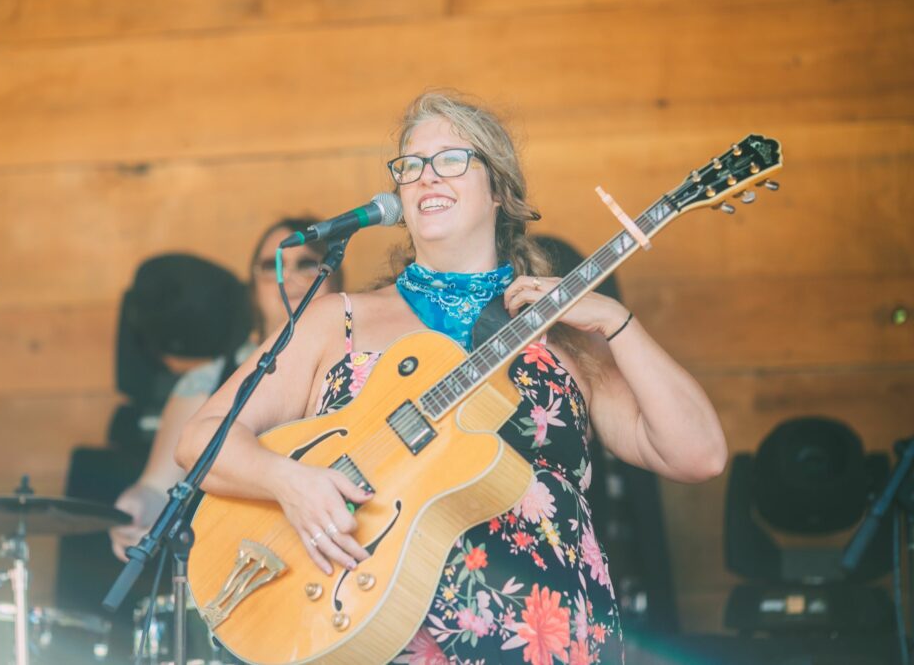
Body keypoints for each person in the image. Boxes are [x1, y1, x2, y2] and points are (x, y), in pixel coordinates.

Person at [176, 91, 727, 664]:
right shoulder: (334, 320)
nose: (425, 178)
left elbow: (698, 455)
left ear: (499, 191)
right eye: (410, 166)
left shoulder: (565, 333)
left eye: (452, 159)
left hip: (547, 633)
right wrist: (288, 481)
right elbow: (202, 440)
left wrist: (617, 323)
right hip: (372, 624)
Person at [109, 218, 344, 561]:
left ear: (335, 275)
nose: (290, 275)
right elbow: (157, 487)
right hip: (232, 566)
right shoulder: (208, 379)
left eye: (307, 262)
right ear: (252, 286)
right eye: (273, 264)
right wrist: (138, 506)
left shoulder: (362, 366)